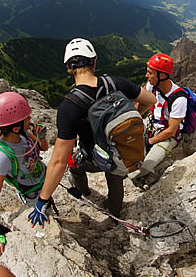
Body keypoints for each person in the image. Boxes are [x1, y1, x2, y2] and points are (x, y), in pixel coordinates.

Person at [30, 38, 156, 226]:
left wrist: (42, 199)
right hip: (123, 151)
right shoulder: (115, 83)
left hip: (94, 157)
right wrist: (129, 118)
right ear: (94, 61)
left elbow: (58, 161)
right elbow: (151, 99)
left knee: (74, 165)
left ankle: (85, 192)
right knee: (115, 178)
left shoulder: (70, 106)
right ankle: (115, 217)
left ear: (68, 68)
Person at [0, 92, 49, 256]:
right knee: (47, 222)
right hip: (32, 195)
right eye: (27, 118)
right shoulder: (2, 156)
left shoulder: (24, 134)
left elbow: (43, 148)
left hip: (44, 184)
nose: (30, 119)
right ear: (15, 127)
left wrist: (41, 137)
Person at [127, 53, 188, 188]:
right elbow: (140, 105)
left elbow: (171, 131)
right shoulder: (151, 86)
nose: (146, 76)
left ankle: (155, 171)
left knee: (134, 172)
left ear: (162, 75)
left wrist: (148, 142)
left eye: (150, 73)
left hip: (167, 136)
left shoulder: (179, 99)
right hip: (151, 126)